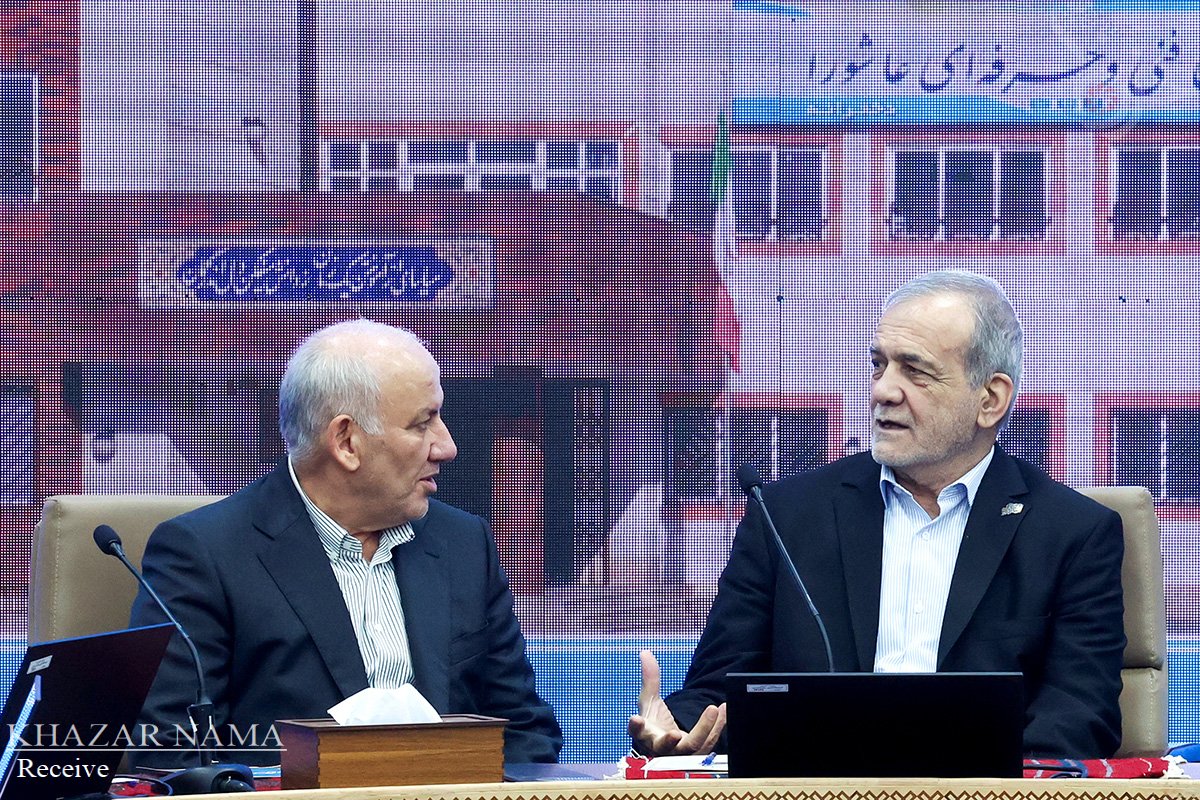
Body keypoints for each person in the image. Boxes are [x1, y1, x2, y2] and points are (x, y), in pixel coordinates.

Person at [630, 270, 1125, 759]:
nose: (883, 391)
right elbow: (717, 692)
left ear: (990, 399)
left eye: (915, 370)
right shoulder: (785, 517)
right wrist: (677, 729)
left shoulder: (1072, 534)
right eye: (879, 365)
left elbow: (1079, 717)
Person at [131, 320, 562, 767]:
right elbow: (171, 751)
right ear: (346, 442)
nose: (447, 446)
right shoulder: (203, 554)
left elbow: (525, 733)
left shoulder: (464, 543)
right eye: (423, 423)